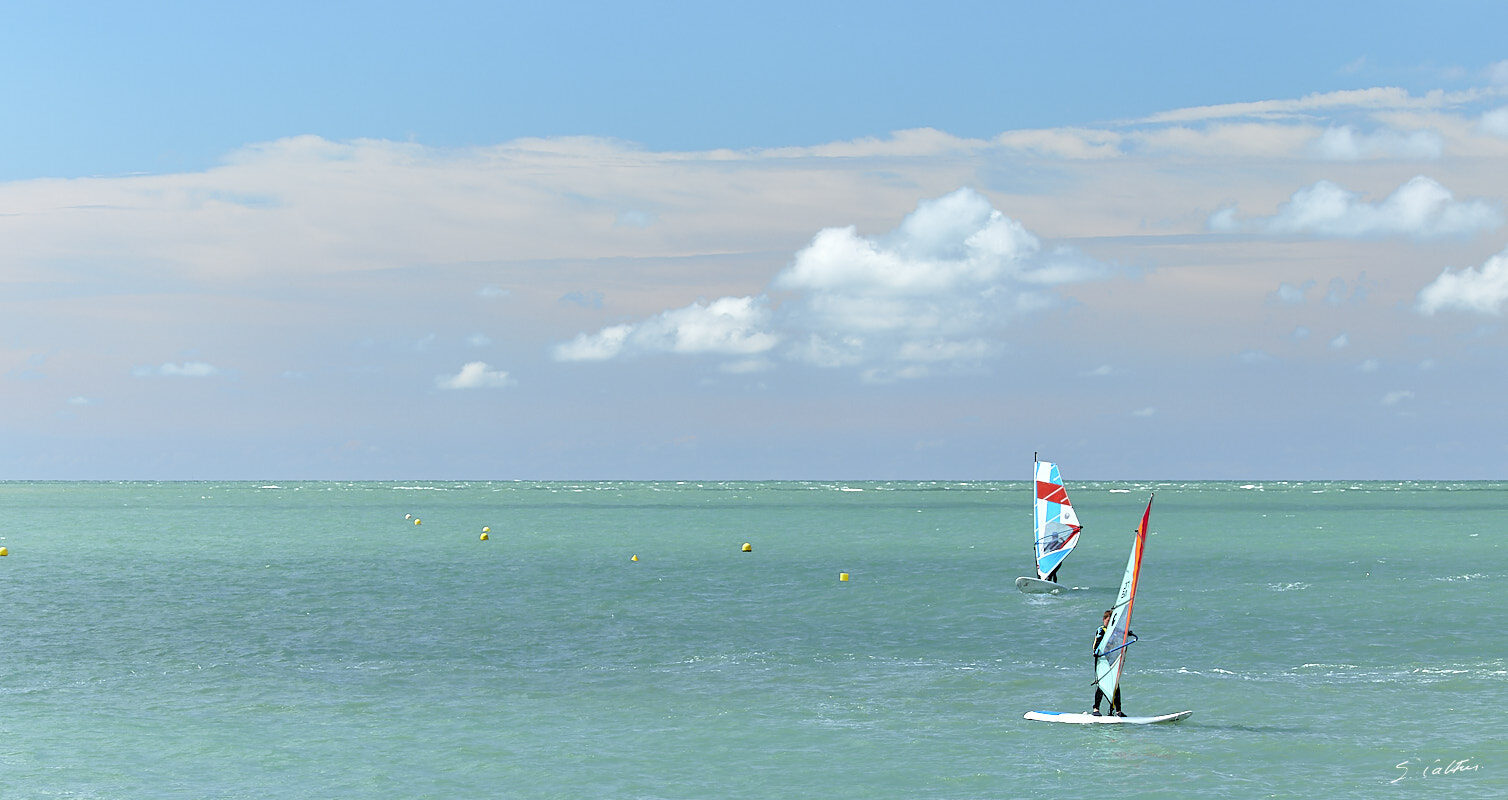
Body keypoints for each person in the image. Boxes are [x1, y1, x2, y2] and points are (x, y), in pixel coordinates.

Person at [1091, 609, 1133, 716]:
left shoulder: (1115, 631)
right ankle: (1096, 709)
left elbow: (1123, 633)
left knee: (1115, 684)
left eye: (1111, 621)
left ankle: (1117, 710)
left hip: (1112, 660)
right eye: (1107, 621)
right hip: (1102, 660)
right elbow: (1097, 644)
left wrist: (1128, 632)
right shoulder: (1101, 630)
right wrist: (1097, 652)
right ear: (1104, 620)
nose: (1109, 623)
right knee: (1102, 684)